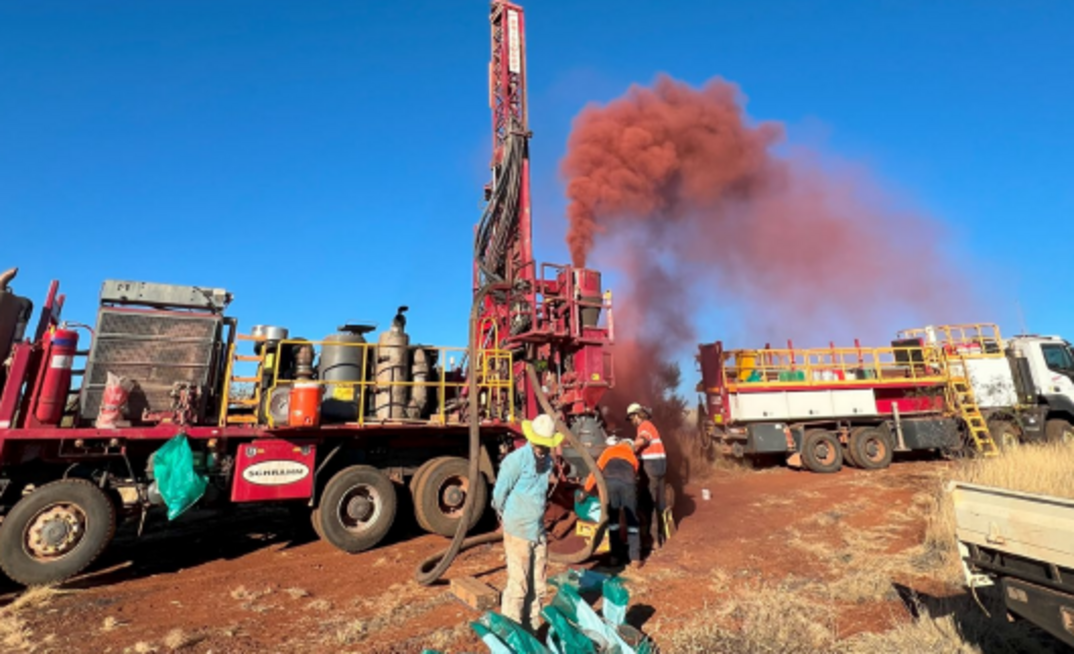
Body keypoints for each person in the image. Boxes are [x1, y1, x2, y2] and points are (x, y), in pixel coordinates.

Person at [491, 413, 564, 632]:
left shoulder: (548, 462)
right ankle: (511, 633)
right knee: (519, 586)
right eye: (540, 444)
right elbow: (498, 495)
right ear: (532, 439)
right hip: (518, 530)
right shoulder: (515, 461)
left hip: (537, 531)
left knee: (539, 585)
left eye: (546, 445)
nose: (542, 449)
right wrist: (509, 519)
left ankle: (531, 628)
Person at [581, 434, 641, 568]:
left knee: (613, 521)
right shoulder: (633, 456)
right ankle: (635, 558)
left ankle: (615, 556)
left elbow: (596, 472)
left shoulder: (608, 452)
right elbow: (635, 474)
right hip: (628, 484)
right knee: (631, 519)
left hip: (611, 484)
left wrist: (586, 490)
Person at [627, 402, 668, 550]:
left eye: (632, 418)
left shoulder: (644, 425)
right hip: (661, 465)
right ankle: (662, 534)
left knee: (647, 503)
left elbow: (643, 440)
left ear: (637, 415)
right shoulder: (651, 425)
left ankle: (653, 540)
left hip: (651, 466)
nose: (632, 422)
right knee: (659, 502)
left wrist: (628, 446)